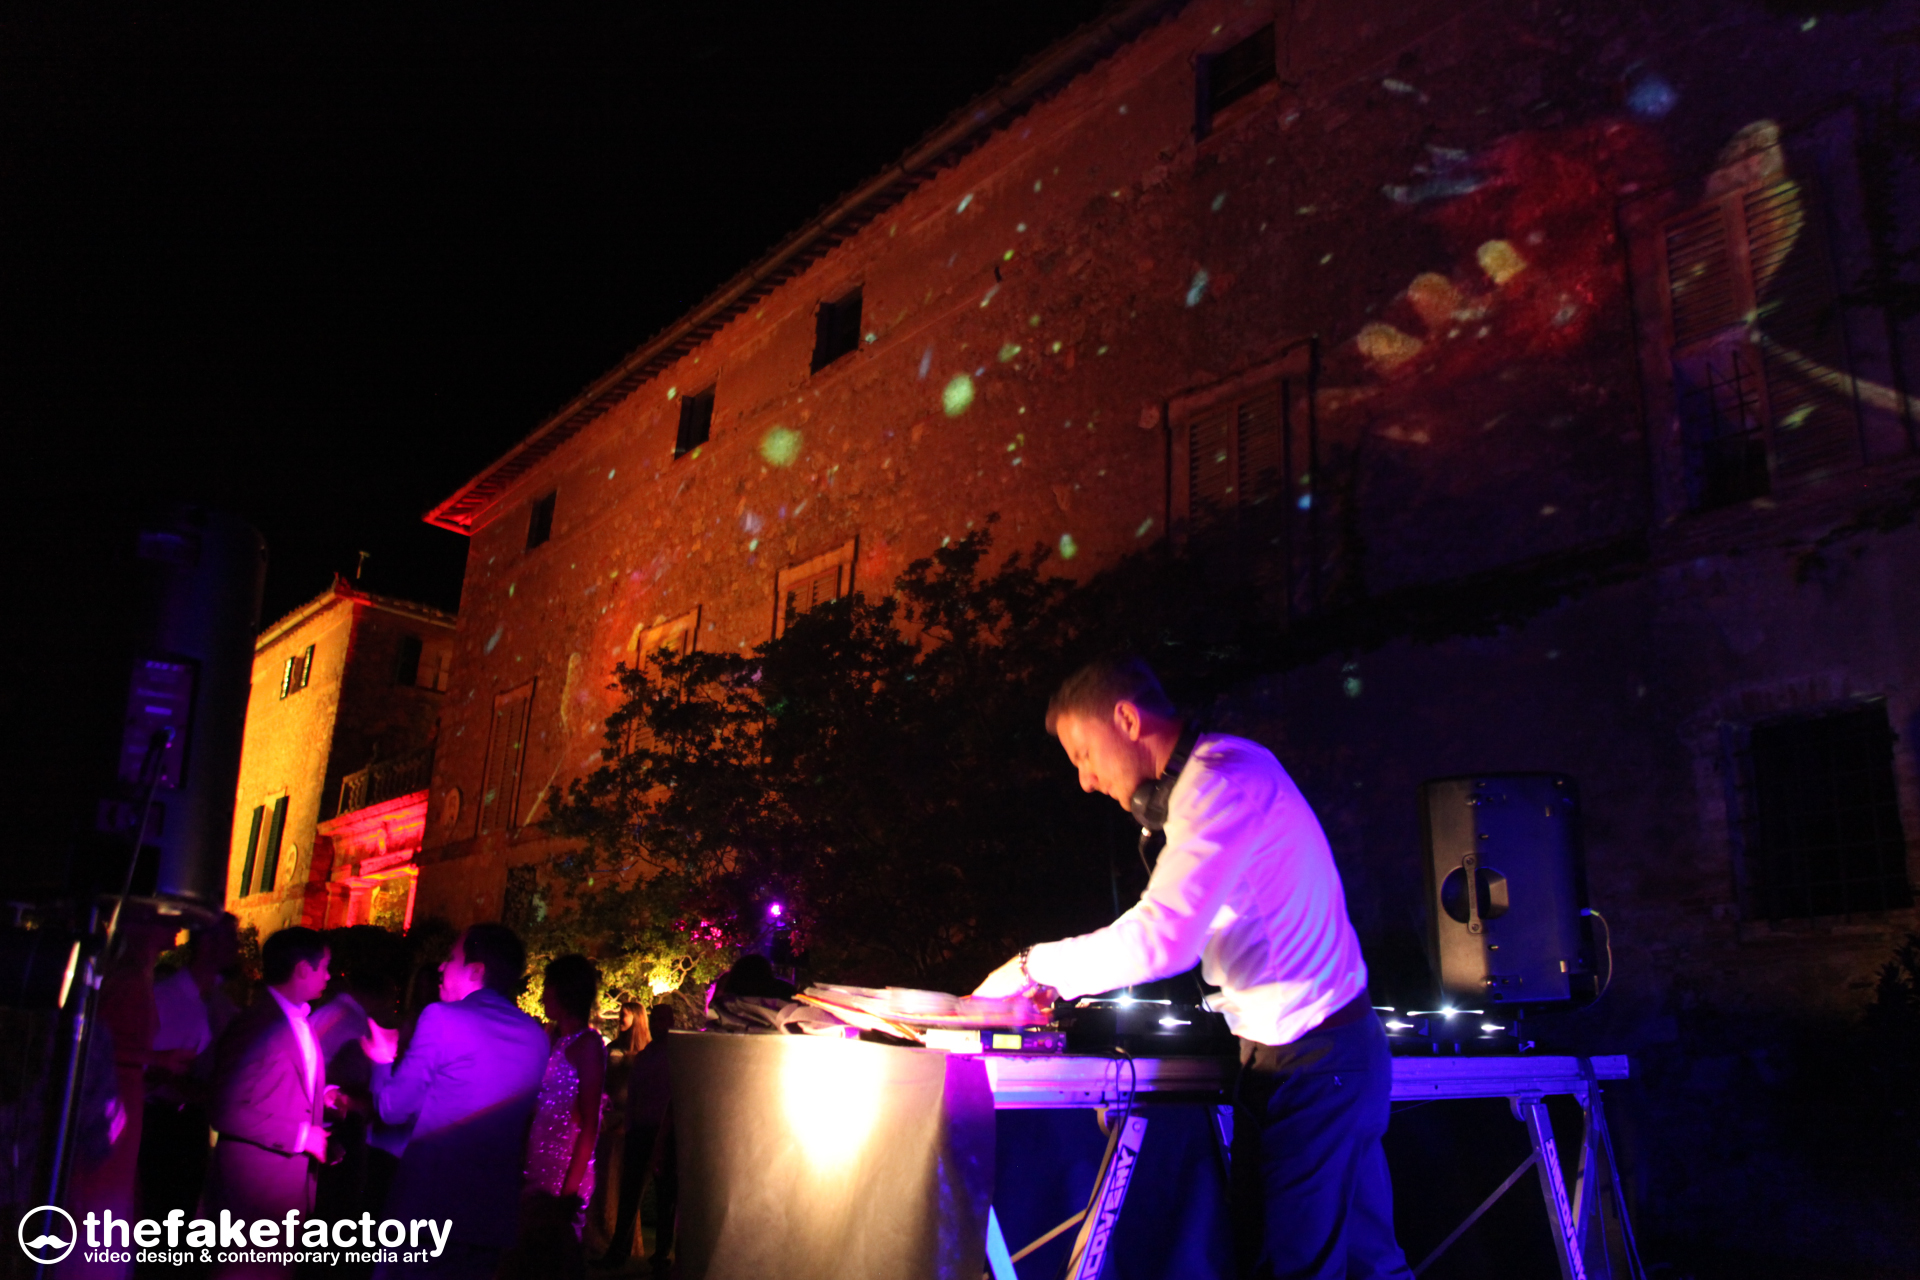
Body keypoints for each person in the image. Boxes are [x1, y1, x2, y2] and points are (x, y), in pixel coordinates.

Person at [974, 656, 1413, 1280]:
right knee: (1373, 1268)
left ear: (1127, 720)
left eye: (1084, 754)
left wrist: (1030, 967)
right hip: (1327, 1054)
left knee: (1291, 1268)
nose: (1085, 780)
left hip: (1313, 1061)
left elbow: (1163, 939)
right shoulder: (1222, 776)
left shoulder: (1220, 781)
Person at [361, 923, 550, 1280]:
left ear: (476, 971)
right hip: (490, 1213)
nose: (441, 967)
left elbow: (393, 1109)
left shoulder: (442, 1017)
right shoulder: (536, 1036)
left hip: (430, 1204)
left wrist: (382, 1061)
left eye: (451, 958)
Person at [203, 926, 334, 1279]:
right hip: (254, 1191)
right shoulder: (255, 1023)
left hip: (285, 1191)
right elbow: (225, 1108)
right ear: (303, 969)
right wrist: (300, 1136)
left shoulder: (299, 1020)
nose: (329, 976)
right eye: (325, 967)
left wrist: (325, 1096)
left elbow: (280, 1088)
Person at [503, 955, 607, 1280]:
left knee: (555, 1259)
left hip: (563, 1174)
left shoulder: (588, 1045)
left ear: (564, 991)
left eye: (547, 986)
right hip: (539, 1166)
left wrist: (568, 1194)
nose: (542, 994)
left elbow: (590, 1123)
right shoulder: (554, 1039)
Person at [141, 912, 240, 1231]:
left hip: (193, 1124)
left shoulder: (222, 1004)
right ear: (207, 943)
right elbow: (144, 1068)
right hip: (159, 1124)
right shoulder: (166, 997)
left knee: (182, 1216)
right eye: (231, 939)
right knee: (157, 1219)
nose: (237, 947)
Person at [598, 1006, 677, 1276]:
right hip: (642, 1129)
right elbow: (634, 1093)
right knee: (631, 1193)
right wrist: (631, 1124)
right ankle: (620, 1250)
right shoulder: (646, 1055)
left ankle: (660, 1255)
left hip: (663, 1130)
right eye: (655, 1019)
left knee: (665, 1195)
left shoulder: (673, 1055)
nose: (658, 1024)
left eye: (663, 1019)